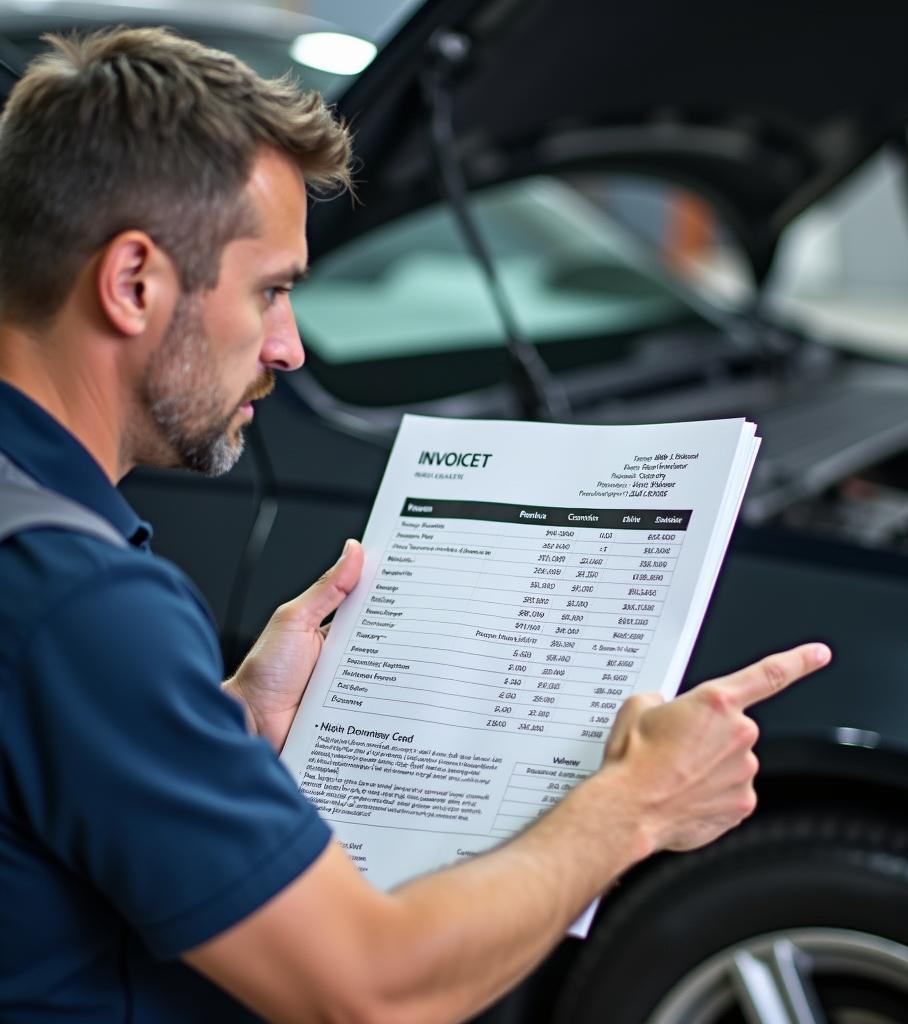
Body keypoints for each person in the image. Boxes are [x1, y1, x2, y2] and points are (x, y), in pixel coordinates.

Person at [0, 27, 831, 1024]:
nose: (289, 347)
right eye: (270, 290)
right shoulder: (77, 602)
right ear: (134, 282)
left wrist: (231, 723)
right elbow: (371, 988)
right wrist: (636, 802)